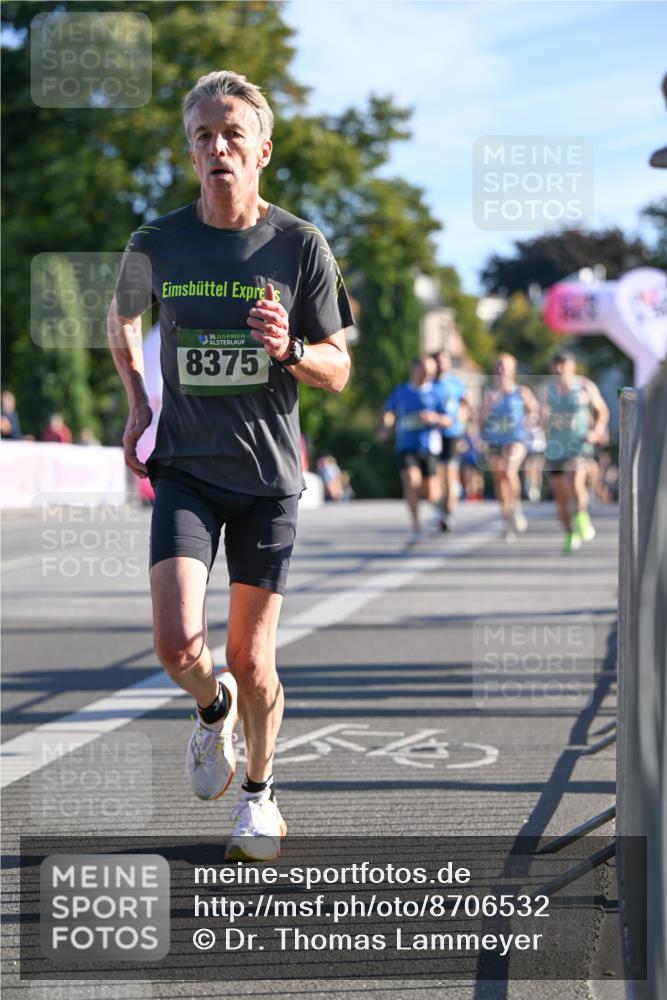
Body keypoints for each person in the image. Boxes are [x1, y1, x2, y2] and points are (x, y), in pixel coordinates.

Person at [108, 70, 353, 861]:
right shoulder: (156, 242)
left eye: (231, 135)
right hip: (185, 467)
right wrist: (140, 404)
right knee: (179, 644)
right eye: (203, 137)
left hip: (267, 479)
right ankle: (210, 713)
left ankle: (259, 795)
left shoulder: (298, 244)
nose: (217, 147)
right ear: (191, 153)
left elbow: (339, 368)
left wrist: (289, 349)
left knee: (251, 658)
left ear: (262, 151)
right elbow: (121, 320)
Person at [538, 351, 609, 554]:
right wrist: (540, 418)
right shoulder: (546, 388)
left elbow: (602, 410)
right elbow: (539, 414)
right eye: (557, 365)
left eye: (564, 365)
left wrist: (597, 430)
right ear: (553, 368)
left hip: (579, 444)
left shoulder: (584, 385)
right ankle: (570, 532)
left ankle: (582, 516)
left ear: (572, 367)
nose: (560, 369)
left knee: (576, 479)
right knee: (561, 498)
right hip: (555, 446)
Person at [378, 356, 450, 544]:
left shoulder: (436, 393)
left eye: (432, 371)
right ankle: (416, 527)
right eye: (425, 370)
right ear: (414, 369)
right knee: (411, 482)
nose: (429, 374)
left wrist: (434, 418)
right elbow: (389, 412)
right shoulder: (401, 391)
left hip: (429, 448)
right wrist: (386, 426)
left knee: (431, 493)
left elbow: (449, 420)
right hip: (406, 447)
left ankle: (440, 511)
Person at [480, 353, 539, 542]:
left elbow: (536, 411)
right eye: (498, 366)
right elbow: (480, 419)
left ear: (513, 370)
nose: (501, 370)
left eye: (505, 366)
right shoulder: (489, 393)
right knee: (499, 481)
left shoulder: (521, 391)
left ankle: (516, 507)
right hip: (495, 440)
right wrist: (488, 406)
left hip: (516, 439)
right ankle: (506, 517)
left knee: (509, 470)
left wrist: (532, 418)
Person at [431, 350, 470, 531]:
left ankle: (449, 512)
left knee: (449, 473)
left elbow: (466, 404)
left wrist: (461, 417)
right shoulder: (429, 383)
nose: (441, 365)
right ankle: (441, 509)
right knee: (436, 477)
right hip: (432, 435)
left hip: (452, 433)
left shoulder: (456, 383)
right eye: (437, 361)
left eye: (444, 361)